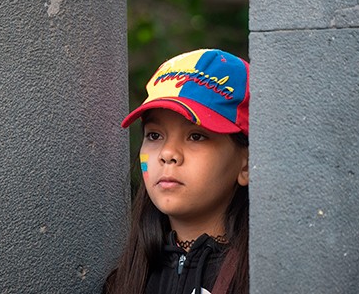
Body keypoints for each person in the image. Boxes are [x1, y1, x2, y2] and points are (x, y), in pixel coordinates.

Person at [103, 49, 250, 294]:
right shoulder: (122, 282)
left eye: (196, 136)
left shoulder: (263, 278)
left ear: (246, 164)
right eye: (154, 135)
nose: (167, 153)